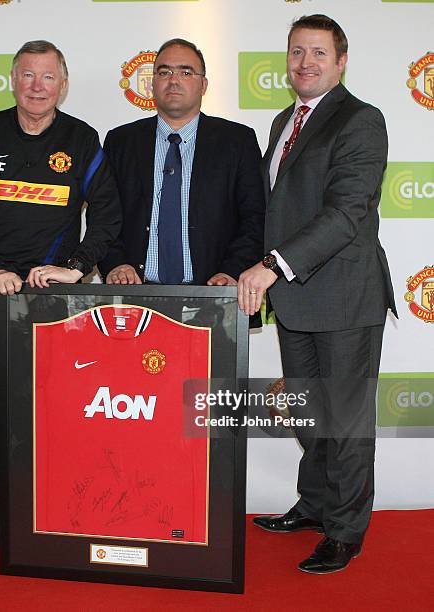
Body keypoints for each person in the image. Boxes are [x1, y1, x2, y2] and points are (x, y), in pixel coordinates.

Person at [0, 40, 121, 562]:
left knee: (61, 409)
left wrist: (76, 267)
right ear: (13, 80)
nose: (37, 87)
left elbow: (108, 216)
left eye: (48, 77)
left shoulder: (82, 139)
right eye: (27, 76)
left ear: (62, 85)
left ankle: (63, 510)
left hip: (53, 303)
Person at [237, 15, 396, 574]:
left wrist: (271, 267)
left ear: (341, 61)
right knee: (309, 415)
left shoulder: (361, 120)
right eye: (296, 52)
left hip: (346, 298)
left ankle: (346, 532)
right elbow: (276, 209)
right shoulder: (285, 119)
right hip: (298, 299)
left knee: (347, 423)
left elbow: (347, 212)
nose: (305, 63)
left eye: (318, 53)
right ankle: (316, 504)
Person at [98, 38, 265, 289]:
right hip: (135, 295)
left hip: (213, 295)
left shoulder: (237, 141)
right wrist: (116, 263)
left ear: (203, 85)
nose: (173, 80)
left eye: (186, 72)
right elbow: (104, 215)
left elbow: (255, 218)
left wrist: (232, 271)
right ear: (152, 83)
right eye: (164, 72)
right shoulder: (121, 141)